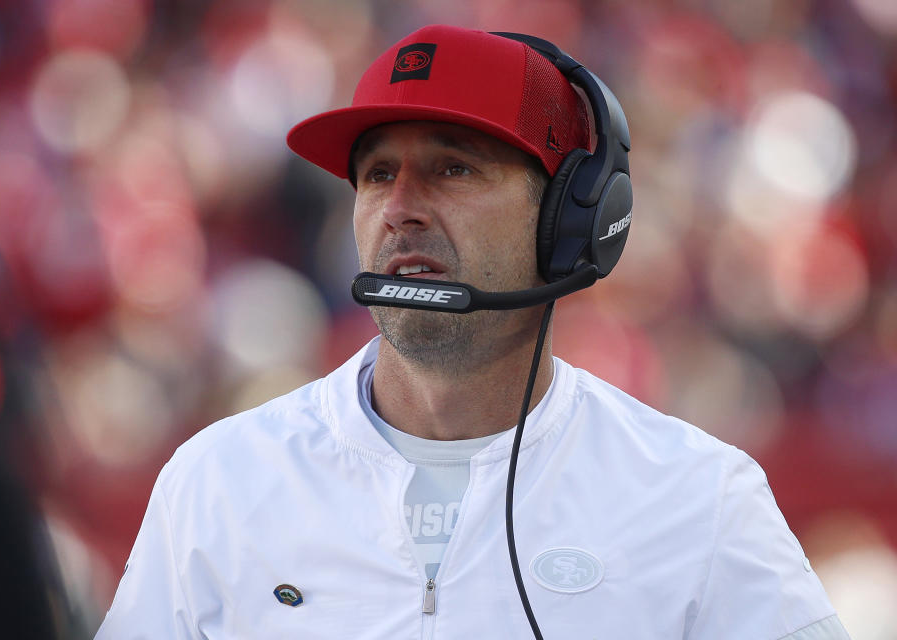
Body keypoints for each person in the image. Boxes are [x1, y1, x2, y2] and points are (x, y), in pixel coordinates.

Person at [96, 25, 849, 639]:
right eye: (378, 174)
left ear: (569, 220)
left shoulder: (698, 499)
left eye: (454, 170)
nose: (401, 208)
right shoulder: (219, 482)